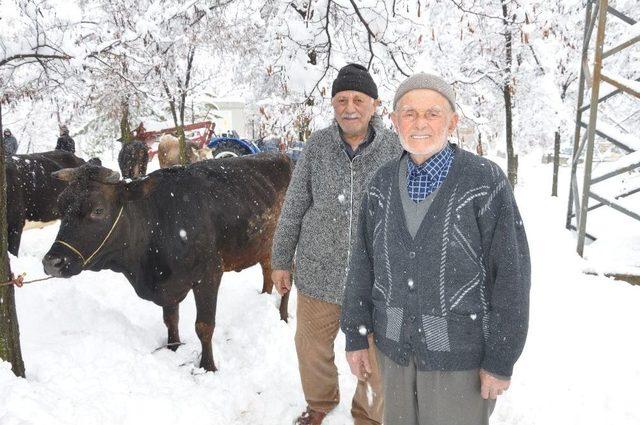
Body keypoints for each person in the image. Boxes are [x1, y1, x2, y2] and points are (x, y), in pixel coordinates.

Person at [340, 73, 531, 425]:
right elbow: (362, 266)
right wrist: (355, 334)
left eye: (432, 114)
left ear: (453, 122)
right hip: (394, 354)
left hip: (460, 357)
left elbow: (511, 276)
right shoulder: (380, 185)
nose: (420, 124)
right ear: (394, 122)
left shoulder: (484, 183)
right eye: (409, 114)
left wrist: (501, 359)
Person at [271, 63, 401, 425]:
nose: (349, 107)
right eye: (341, 99)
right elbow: (294, 205)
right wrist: (281, 259)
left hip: (375, 280)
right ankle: (319, 402)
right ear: (332, 105)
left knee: (374, 358)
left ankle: (369, 415)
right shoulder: (317, 146)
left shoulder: (395, 149)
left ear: (374, 105)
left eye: (358, 99)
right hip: (317, 272)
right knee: (310, 347)